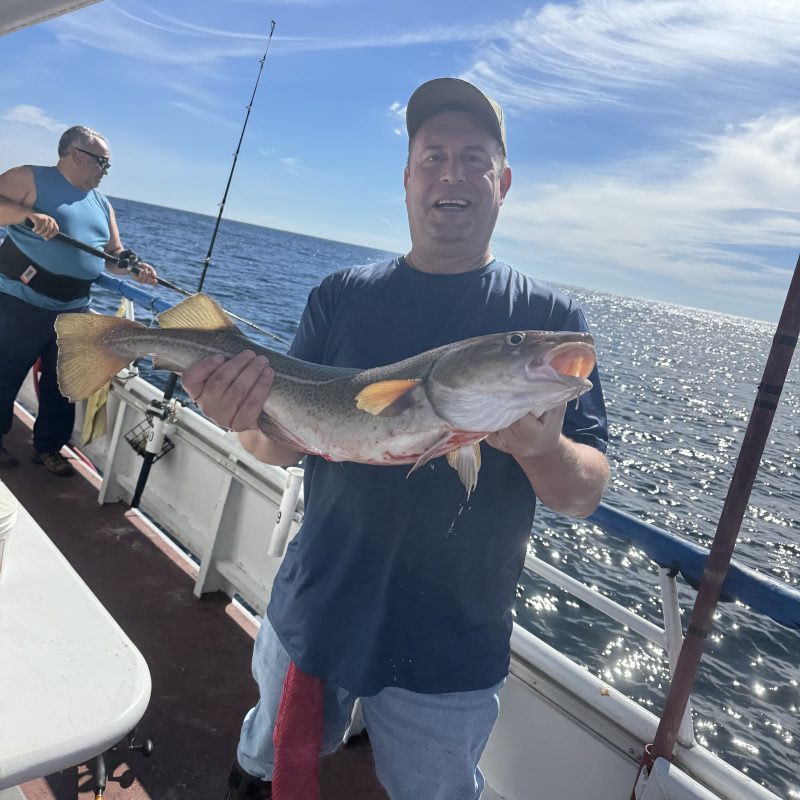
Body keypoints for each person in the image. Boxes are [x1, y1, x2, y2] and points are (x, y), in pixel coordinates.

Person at [184, 77, 609, 800]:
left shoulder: (546, 315)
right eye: (434, 156)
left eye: (474, 159)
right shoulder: (341, 295)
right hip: (317, 605)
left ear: (502, 183)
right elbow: (277, 446)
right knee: (269, 760)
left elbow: (585, 491)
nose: (453, 174)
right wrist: (246, 416)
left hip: (453, 637)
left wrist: (544, 449)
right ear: (407, 177)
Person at [0, 125, 157, 477]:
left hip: (72, 308)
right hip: (22, 300)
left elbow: (112, 254)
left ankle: (49, 448)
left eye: (107, 165)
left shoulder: (103, 204)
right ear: (75, 155)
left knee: (64, 383)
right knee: (4, 373)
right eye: (102, 162)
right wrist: (30, 215)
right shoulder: (29, 177)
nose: (105, 170)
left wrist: (134, 269)